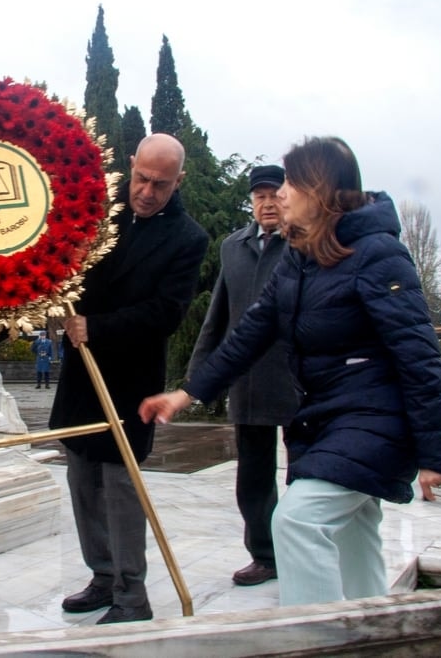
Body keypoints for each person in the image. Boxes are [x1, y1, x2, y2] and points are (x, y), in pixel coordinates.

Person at [139, 136, 441, 607]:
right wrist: (187, 393)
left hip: (374, 419)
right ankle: (374, 633)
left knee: (297, 520)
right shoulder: (300, 255)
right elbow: (250, 332)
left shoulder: (377, 254)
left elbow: (418, 355)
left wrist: (437, 453)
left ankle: (317, 639)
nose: (281, 193)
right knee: (354, 533)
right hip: (327, 415)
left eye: (291, 182)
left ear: (321, 189)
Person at [34, 133, 205, 624]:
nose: (147, 192)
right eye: (141, 179)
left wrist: (98, 327)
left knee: (119, 486)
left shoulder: (187, 238)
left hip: (130, 379)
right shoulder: (95, 211)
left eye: (161, 185)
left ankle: (133, 595)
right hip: (81, 375)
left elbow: (166, 313)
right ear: (130, 166)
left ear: (179, 181)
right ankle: (102, 576)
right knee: (81, 476)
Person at [186, 164, 299, 587]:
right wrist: (196, 379)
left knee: (302, 474)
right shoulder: (233, 246)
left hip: (296, 380)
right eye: (259, 197)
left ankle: (300, 549)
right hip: (248, 380)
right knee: (252, 477)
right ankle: (264, 555)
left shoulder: (302, 241)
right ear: (251, 202)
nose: (268, 204)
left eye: (274, 195)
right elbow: (218, 315)